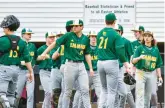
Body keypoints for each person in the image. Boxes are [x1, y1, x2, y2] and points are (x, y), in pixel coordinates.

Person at [40, 19, 94, 108]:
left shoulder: (85, 39)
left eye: (76, 26)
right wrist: (44, 52)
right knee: (67, 91)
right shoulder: (68, 35)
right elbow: (55, 43)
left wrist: (91, 68)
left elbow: (87, 54)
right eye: (73, 26)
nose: (74, 27)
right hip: (70, 64)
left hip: (81, 65)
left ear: (82, 27)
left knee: (85, 89)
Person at [97, 13, 131, 108]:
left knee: (104, 89)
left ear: (105, 21)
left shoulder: (99, 33)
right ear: (115, 22)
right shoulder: (116, 35)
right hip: (111, 62)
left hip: (100, 62)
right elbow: (120, 53)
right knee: (112, 91)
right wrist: (126, 64)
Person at [0, 15, 33, 108]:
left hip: (4, 69)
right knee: (10, 95)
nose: (3, 28)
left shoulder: (2, 40)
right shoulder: (21, 42)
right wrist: (31, 72)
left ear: (7, 27)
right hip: (16, 71)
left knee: (1, 95)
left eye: (4, 27)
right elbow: (27, 59)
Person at [132, 31, 163, 108]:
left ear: (152, 38)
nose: (147, 37)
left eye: (149, 36)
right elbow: (133, 61)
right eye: (145, 36)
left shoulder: (155, 50)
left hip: (151, 73)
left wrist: (159, 76)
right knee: (140, 94)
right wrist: (139, 58)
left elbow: (158, 65)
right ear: (143, 37)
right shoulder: (140, 48)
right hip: (140, 72)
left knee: (147, 96)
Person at [73, 31, 101, 108]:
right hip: (86, 72)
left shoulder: (100, 47)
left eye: (95, 36)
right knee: (82, 92)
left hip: (97, 73)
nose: (94, 38)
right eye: (92, 36)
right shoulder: (84, 47)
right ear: (89, 38)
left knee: (100, 93)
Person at [114, 24, 135, 108]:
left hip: (123, 67)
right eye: (114, 31)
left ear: (121, 32)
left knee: (126, 91)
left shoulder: (126, 41)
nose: (116, 33)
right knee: (114, 91)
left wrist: (129, 67)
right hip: (113, 67)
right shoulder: (112, 41)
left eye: (117, 31)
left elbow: (131, 55)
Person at [16, 28, 37, 108]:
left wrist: (32, 68)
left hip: (30, 72)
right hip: (20, 71)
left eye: (30, 34)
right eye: (28, 34)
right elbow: (15, 57)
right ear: (23, 34)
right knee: (17, 93)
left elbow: (35, 58)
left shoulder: (32, 46)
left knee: (30, 94)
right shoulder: (19, 44)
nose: (30, 35)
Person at [37, 32, 56, 108]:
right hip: (44, 71)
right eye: (50, 37)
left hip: (54, 71)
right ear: (46, 38)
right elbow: (35, 60)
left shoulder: (56, 48)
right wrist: (41, 57)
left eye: (53, 37)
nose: (52, 38)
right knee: (48, 92)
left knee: (52, 93)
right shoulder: (41, 48)